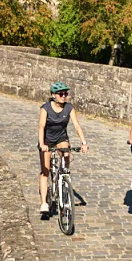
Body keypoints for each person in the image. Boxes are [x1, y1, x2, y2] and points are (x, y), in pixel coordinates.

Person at [38, 81, 88, 216]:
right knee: (45, 171)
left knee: (66, 152)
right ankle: (44, 202)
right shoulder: (45, 108)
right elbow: (41, 126)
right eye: (61, 94)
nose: (63, 96)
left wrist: (83, 142)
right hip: (47, 140)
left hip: (61, 138)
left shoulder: (69, 108)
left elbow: (77, 125)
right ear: (54, 95)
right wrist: (42, 144)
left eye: (65, 93)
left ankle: (64, 176)